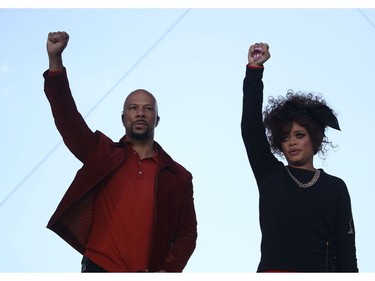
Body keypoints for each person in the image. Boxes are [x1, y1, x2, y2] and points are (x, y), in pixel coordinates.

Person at [43, 31, 197, 272]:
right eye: (133, 107)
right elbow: (68, 119)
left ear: (157, 120)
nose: (140, 112)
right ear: (123, 117)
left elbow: (187, 233)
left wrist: (168, 271)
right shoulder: (102, 153)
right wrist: (55, 61)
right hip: (98, 267)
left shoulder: (178, 177)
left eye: (148, 109)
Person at [241, 42, 358, 272]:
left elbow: (347, 250)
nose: (292, 142)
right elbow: (250, 128)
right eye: (285, 137)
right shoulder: (270, 175)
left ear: (314, 138)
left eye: (299, 135)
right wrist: (254, 71)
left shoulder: (335, 188)